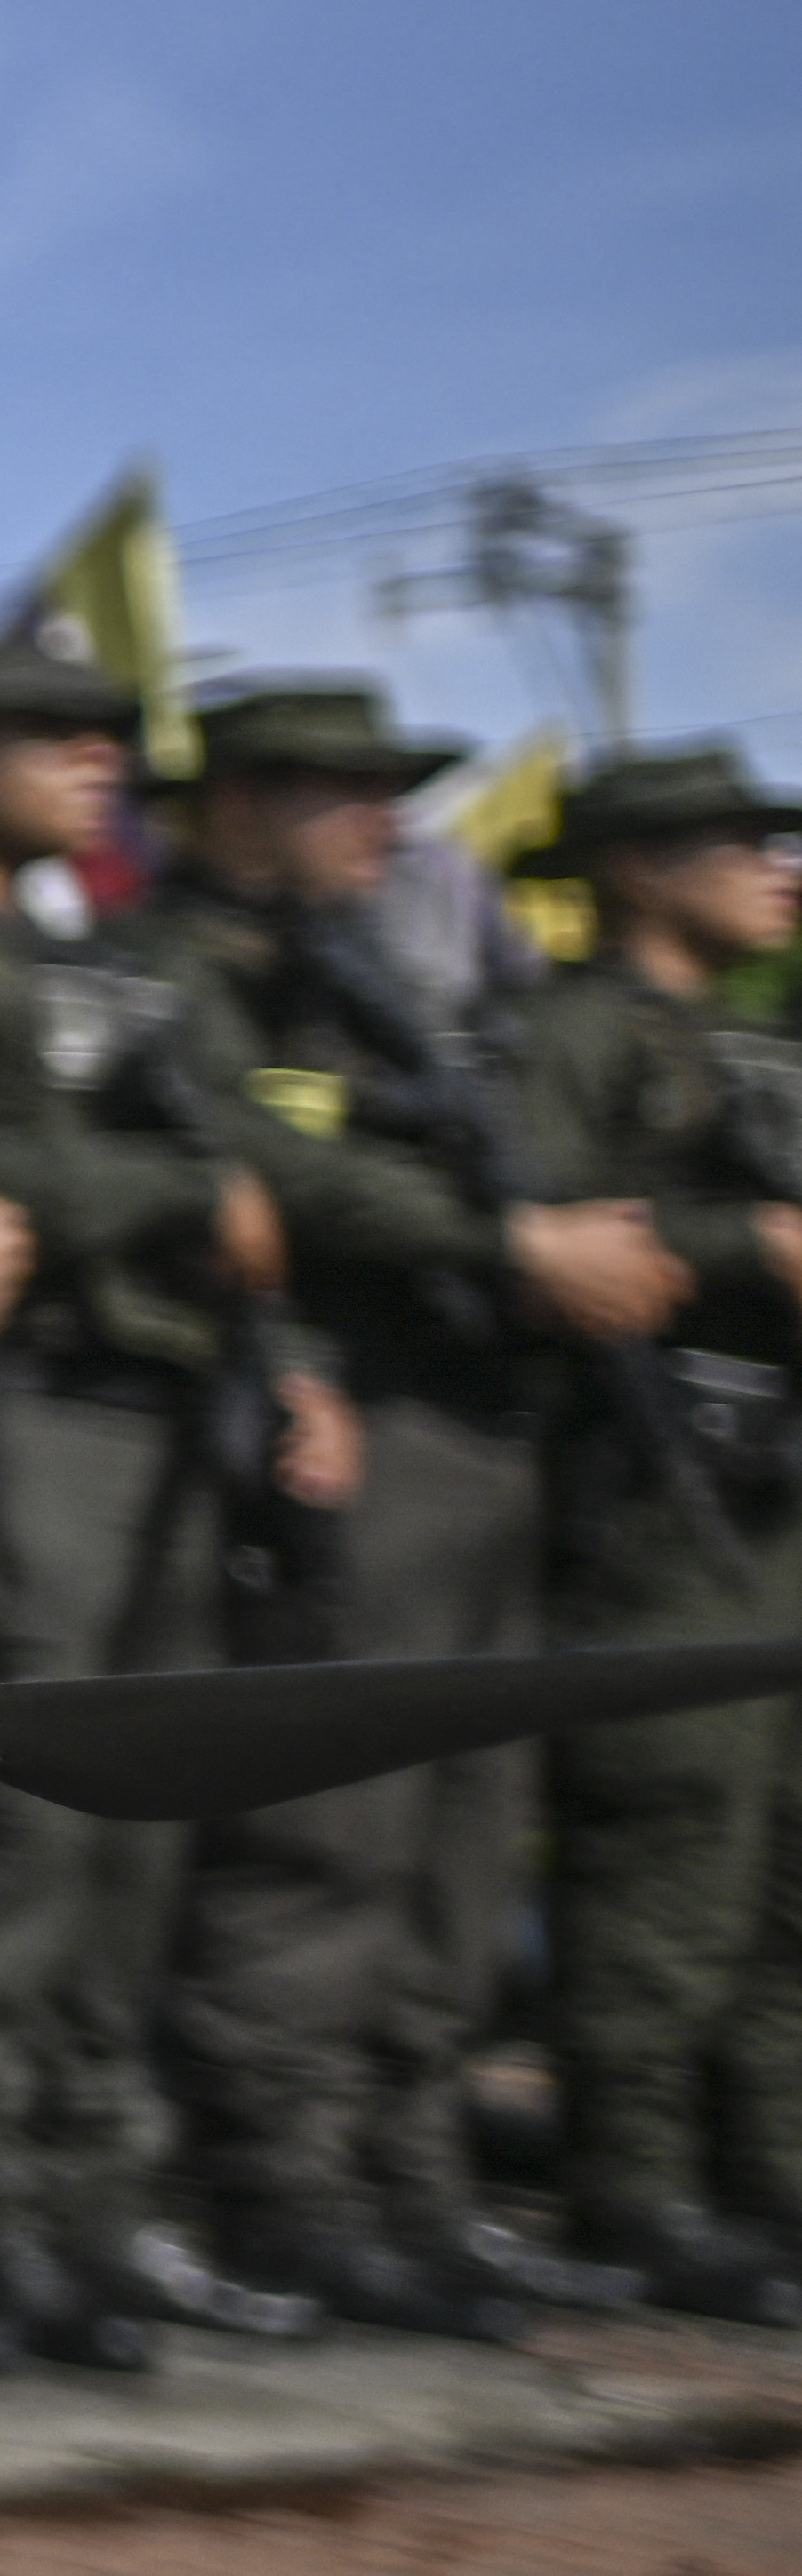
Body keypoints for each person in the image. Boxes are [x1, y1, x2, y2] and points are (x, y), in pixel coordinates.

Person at [136, 676, 651, 2333]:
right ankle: (284, 2184)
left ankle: (410, 2180)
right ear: (225, 800)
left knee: (460, 1836)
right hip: (349, 1418)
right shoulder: (177, 969)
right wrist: (502, 1243)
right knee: (329, 1834)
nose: (378, 818)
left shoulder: (384, 973)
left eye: (384, 787)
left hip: (474, 1419)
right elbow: (255, 1163)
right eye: (326, 785)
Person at [0, 633, 305, 2367]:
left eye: (106, 730)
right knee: (10, 1816)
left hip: (165, 1401)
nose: (97, 757)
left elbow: (256, 1156)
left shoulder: (120, 959)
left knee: (136, 1826)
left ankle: (95, 2203)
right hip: (11, 1405)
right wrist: (180, 1190)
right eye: (43, 731)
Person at [525, 741, 802, 2322]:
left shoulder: (757, 1040)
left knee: (777, 1862)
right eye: (738, 837)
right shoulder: (572, 1031)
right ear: (632, 862)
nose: (777, 863)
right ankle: (635, 2184)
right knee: (671, 1836)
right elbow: (551, 1232)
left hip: (777, 1485)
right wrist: (737, 1239)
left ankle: (768, 2169)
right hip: (660, 1479)